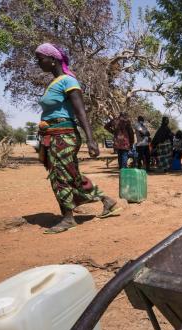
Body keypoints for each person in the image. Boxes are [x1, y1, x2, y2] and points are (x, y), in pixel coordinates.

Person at [34, 43, 118, 234]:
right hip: (53, 135)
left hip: (63, 135)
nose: (38, 63)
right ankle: (107, 201)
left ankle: (68, 218)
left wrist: (91, 139)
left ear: (53, 60)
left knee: (59, 175)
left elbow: (80, 112)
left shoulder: (68, 81)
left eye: (40, 59)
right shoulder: (54, 83)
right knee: (71, 174)